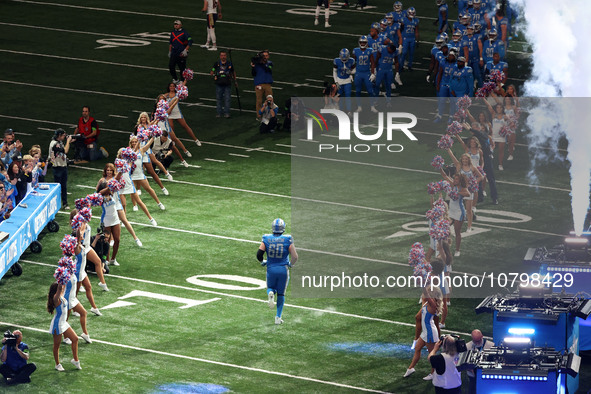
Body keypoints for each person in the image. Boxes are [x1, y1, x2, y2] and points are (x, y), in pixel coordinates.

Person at [257, 218, 298, 325]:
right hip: (283, 269)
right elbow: (295, 256)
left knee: (270, 287)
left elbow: (259, 254)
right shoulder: (287, 239)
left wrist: (262, 261)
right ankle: (278, 318)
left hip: (271, 268)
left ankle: (271, 293)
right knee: (281, 294)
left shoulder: (266, 238)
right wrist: (291, 264)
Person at [404, 285, 443, 378]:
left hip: (430, 333)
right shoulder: (426, 303)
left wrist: (422, 283)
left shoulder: (433, 305)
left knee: (431, 356)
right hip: (425, 332)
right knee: (417, 348)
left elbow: (425, 293)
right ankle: (411, 368)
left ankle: (434, 373)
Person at [100, 163, 143, 247]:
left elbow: (120, 181)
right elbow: (97, 191)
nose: (109, 172)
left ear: (113, 171)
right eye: (107, 170)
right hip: (108, 205)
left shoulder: (115, 178)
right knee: (110, 223)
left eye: (110, 170)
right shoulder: (102, 180)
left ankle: (136, 238)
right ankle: (111, 239)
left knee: (124, 220)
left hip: (117, 203)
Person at [47, 282, 81, 371]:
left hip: (64, 323)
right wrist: (60, 282)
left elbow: (64, 284)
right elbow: (59, 288)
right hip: (57, 325)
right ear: (57, 290)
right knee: (56, 346)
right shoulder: (56, 298)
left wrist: (63, 276)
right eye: (60, 287)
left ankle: (75, 360)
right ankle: (57, 364)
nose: (62, 287)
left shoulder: (62, 293)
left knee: (75, 339)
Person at [440, 169, 470, 256]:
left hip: (459, 212)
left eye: (457, 179)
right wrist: (439, 168)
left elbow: (467, 194)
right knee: (445, 229)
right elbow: (445, 176)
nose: (455, 180)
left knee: (457, 232)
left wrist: (458, 193)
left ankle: (457, 250)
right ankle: (445, 246)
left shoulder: (463, 188)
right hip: (451, 211)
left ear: (460, 181)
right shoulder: (452, 184)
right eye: (455, 179)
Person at [164, 83, 202, 148]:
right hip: (169, 114)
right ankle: (173, 141)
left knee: (185, 126)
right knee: (171, 128)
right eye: (170, 86)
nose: (172, 87)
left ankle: (195, 139)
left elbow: (182, 86)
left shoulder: (177, 94)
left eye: (173, 86)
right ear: (168, 87)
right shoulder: (165, 95)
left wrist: (185, 80)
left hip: (177, 113)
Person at [48, 129, 72, 209]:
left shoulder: (59, 142)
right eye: (63, 135)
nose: (64, 137)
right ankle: (56, 204)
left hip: (62, 166)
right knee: (58, 187)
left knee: (64, 186)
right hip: (57, 167)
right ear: (59, 135)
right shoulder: (54, 144)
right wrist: (68, 141)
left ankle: (65, 203)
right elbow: (65, 150)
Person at [352, 36, 375, 112]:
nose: (362, 44)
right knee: (358, 91)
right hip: (358, 73)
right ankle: (359, 107)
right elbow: (353, 62)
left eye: (364, 42)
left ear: (366, 43)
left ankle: (372, 106)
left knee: (370, 91)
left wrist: (373, 73)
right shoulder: (356, 50)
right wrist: (352, 71)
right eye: (361, 42)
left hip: (366, 73)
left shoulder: (370, 50)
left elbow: (372, 63)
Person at [211, 50, 236, 118]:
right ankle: (219, 113)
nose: (223, 57)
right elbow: (212, 72)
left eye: (224, 55)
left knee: (227, 99)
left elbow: (233, 72)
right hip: (219, 84)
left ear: (226, 56)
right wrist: (215, 74)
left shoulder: (229, 64)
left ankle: (226, 113)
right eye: (222, 55)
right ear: (220, 56)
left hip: (227, 83)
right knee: (219, 99)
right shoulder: (216, 64)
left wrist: (235, 81)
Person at [251, 50, 273, 119]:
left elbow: (268, 69)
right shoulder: (257, 64)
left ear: (268, 56)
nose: (265, 57)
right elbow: (253, 74)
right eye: (263, 56)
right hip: (258, 84)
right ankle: (259, 115)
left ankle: (270, 115)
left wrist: (261, 63)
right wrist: (253, 67)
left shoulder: (270, 63)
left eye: (266, 56)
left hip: (267, 84)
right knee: (259, 101)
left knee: (270, 100)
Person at [333, 48, 355, 113]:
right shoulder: (336, 61)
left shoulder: (351, 60)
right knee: (340, 97)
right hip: (339, 80)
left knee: (348, 96)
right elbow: (334, 72)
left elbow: (355, 70)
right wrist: (336, 81)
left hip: (347, 80)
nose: (344, 59)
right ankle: (341, 110)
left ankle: (349, 111)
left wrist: (350, 72)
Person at [399, 7, 419, 72]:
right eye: (411, 13)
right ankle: (401, 66)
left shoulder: (416, 21)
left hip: (412, 38)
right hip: (405, 38)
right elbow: (400, 29)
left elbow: (416, 31)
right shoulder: (403, 20)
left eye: (413, 13)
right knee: (404, 53)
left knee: (411, 53)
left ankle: (410, 66)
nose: (412, 14)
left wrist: (417, 40)